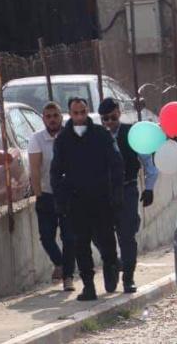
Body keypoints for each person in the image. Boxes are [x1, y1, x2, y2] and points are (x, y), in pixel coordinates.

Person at [51, 97, 123, 301]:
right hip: (76, 201)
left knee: (107, 240)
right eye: (76, 113)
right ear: (70, 114)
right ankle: (89, 285)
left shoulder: (101, 135)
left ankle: (111, 267)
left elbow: (116, 165)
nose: (80, 117)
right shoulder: (64, 139)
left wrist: (116, 195)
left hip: (101, 198)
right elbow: (56, 172)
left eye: (83, 112)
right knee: (80, 244)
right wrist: (60, 200)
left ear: (87, 111)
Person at [98, 97, 158, 293]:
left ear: (119, 113)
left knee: (126, 235)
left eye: (112, 117)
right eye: (105, 119)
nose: (109, 123)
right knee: (100, 234)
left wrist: (149, 188)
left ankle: (129, 277)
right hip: (103, 193)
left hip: (127, 190)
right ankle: (114, 264)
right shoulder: (97, 137)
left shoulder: (131, 134)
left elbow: (149, 164)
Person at [28, 102, 75, 292]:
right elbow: (35, 168)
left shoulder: (69, 136)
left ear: (61, 117)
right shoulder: (37, 139)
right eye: (48, 116)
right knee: (46, 237)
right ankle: (61, 264)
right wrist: (39, 194)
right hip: (47, 194)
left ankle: (68, 277)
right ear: (43, 119)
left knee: (69, 237)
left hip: (68, 195)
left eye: (55, 115)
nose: (52, 119)